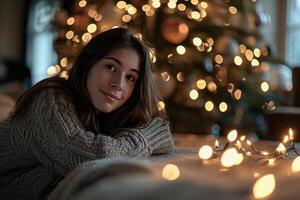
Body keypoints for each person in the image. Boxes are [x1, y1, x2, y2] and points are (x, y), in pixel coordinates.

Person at [0, 27, 175, 200]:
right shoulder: (49, 98)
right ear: (88, 64)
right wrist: (147, 139)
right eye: (110, 67)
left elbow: (164, 137)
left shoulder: (103, 112)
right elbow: (90, 157)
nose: (118, 84)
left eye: (130, 77)